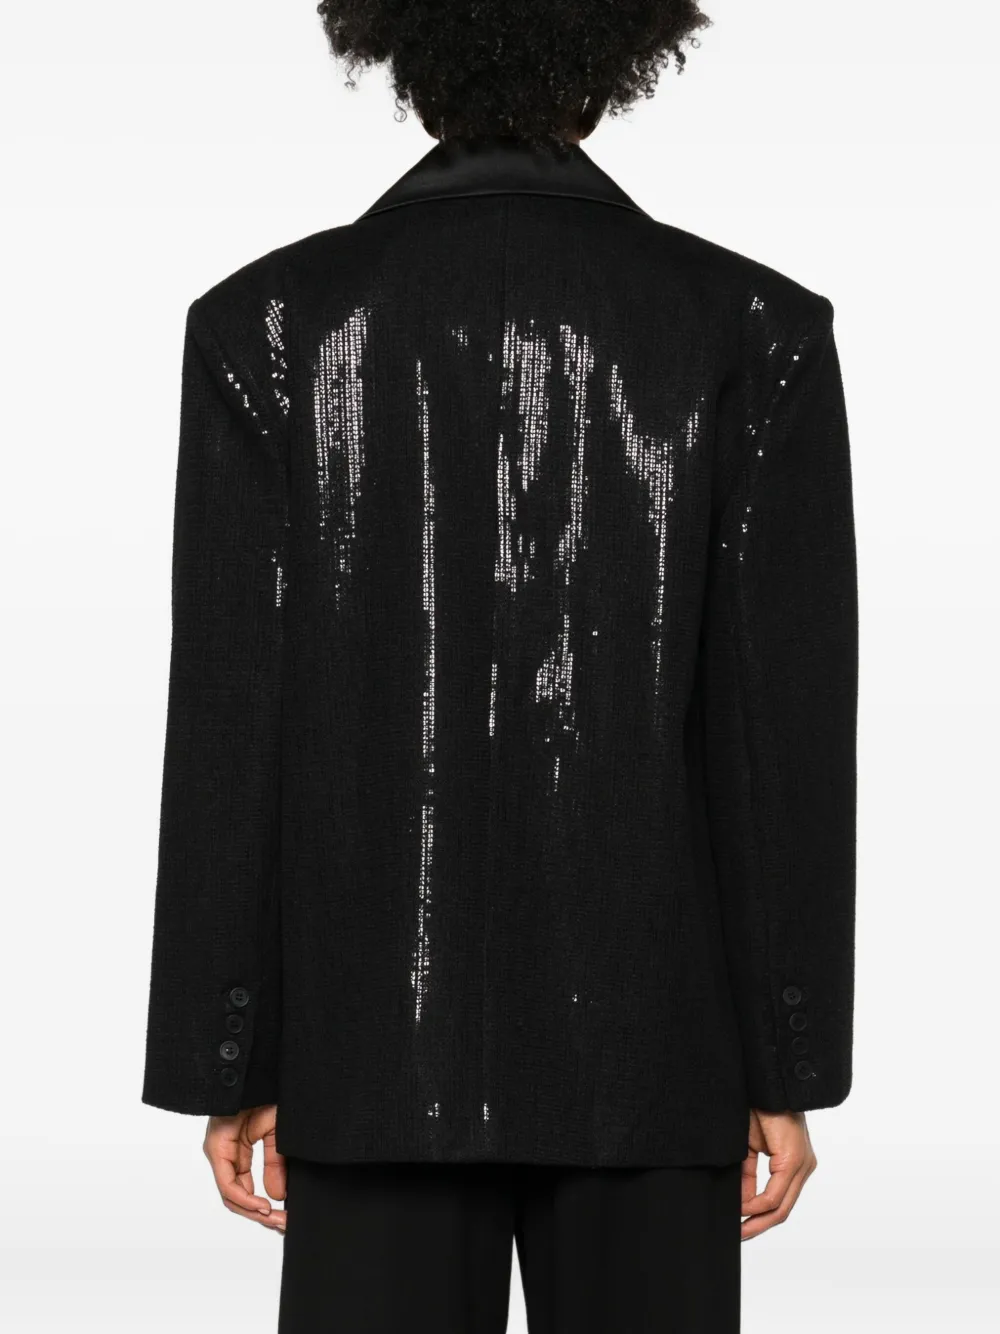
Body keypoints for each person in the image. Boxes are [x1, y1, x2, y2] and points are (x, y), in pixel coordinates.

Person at [141, 2, 858, 1330]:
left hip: (365, 1050)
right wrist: (785, 1054)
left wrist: (230, 1045)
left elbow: (236, 715)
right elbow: (778, 734)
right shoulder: (752, 329)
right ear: (608, 69)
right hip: (656, 1051)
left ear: (409, 63)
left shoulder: (267, 327)